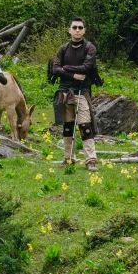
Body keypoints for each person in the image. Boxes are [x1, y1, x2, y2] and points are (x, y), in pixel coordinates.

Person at [51, 17, 102, 171]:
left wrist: (66, 68)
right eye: (75, 27)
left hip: (82, 91)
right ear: (69, 30)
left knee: (85, 125)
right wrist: (73, 74)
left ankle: (91, 159)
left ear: (84, 30)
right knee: (68, 126)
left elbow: (86, 67)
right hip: (65, 91)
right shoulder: (63, 48)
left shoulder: (90, 48)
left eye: (80, 27)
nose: (77, 30)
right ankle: (68, 158)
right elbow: (54, 69)